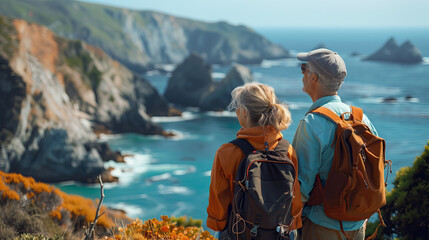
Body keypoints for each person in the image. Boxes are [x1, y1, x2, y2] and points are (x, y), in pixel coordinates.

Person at [293, 48, 379, 239]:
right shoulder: (361, 118)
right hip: (358, 225)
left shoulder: (311, 124)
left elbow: (300, 187)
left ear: (313, 78)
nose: (302, 74)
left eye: (303, 69)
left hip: (321, 225)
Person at [206, 82, 303, 239]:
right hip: (279, 233)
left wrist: (218, 226)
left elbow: (218, 208)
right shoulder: (287, 150)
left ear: (244, 112)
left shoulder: (226, 153)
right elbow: (295, 198)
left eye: (238, 107)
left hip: (240, 232)